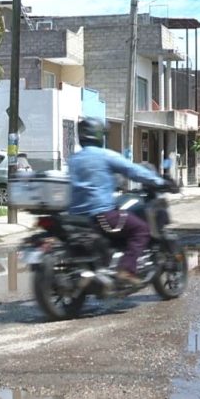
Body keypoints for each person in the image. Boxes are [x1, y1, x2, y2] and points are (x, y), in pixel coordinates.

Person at [68, 117, 168, 285]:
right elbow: (133, 170)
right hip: (101, 214)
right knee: (141, 229)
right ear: (99, 135)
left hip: (77, 216)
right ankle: (126, 269)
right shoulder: (105, 155)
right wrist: (159, 181)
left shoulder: (74, 159)